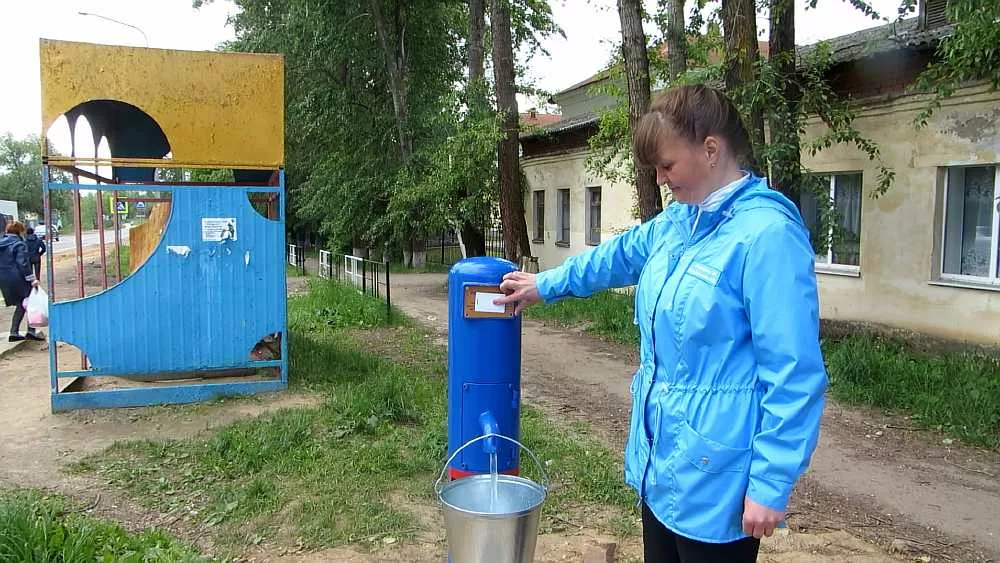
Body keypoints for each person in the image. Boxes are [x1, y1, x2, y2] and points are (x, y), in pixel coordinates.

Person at [496, 84, 827, 563]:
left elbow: (794, 373)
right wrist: (545, 284)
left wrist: (771, 483)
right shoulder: (679, 224)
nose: (661, 178)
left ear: (711, 149)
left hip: (719, 480)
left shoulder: (767, 236)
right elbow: (614, 258)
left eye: (667, 165)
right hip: (663, 463)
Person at [0, 221, 43, 342]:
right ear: (19, 231)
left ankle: (14, 332)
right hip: (18, 277)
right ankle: (30, 331)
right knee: (31, 302)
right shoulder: (19, 244)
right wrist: (32, 279)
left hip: (3, 278)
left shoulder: (1, 244)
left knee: (20, 304)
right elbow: (22, 263)